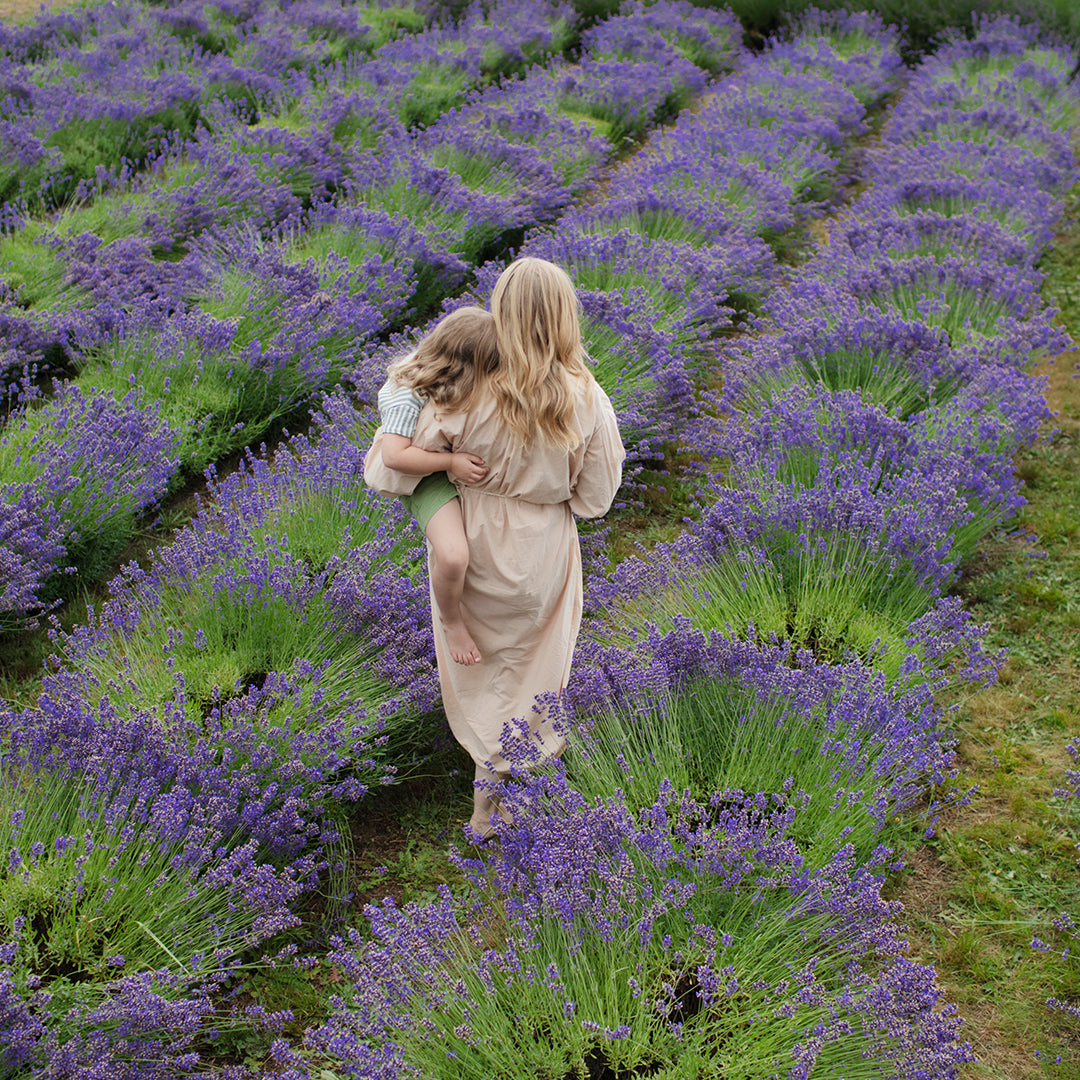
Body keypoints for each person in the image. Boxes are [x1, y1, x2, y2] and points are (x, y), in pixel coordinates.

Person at [406, 258, 626, 842]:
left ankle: (485, 794)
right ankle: (496, 796)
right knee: (534, 669)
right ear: (564, 317)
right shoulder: (584, 395)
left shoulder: (465, 381)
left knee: (479, 672)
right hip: (542, 546)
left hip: (473, 536)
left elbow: (405, 456)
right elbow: (597, 497)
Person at [365, 306, 498, 665]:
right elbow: (395, 456)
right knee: (454, 555)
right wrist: (451, 463)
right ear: (461, 364)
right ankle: (451, 620)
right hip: (422, 478)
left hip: (440, 460)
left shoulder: (451, 375)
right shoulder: (407, 391)